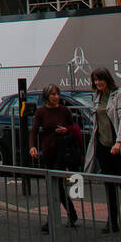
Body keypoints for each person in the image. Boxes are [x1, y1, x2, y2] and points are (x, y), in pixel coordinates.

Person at [83, 66, 121, 233]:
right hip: (103, 145)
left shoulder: (118, 94)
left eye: (100, 79)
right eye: (95, 80)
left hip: (117, 146)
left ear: (107, 79)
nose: (97, 82)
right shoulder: (97, 96)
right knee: (109, 184)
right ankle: (112, 221)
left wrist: (119, 142)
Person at [30, 84, 82, 230]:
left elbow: (73, 128)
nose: (56, 97)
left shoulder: (64, 110)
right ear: (47, 96)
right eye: (53, 94)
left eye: (57, 94)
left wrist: (66, 130)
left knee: (57, 185)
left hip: (62, 152)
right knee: (54, 186)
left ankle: (52, 219)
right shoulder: (41, 112)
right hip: (49, 152)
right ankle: (71, 213)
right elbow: (34, 130)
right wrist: (32, 146)